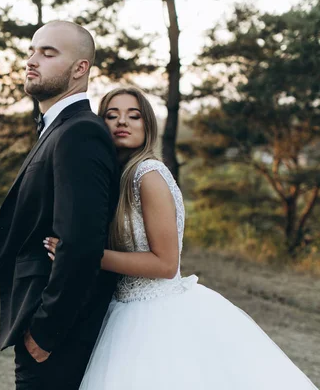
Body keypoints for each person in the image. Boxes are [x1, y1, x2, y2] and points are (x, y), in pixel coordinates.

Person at [43, 86, 319, 389]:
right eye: (112, 115)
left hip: (155, 315)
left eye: (133, 116)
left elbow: (165, 263)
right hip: (122, 309)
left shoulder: (147, 175)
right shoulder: (117, 177)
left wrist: (84, 255)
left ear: (148, 126)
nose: (122, 122)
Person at [0, 21, 121, 389]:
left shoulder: (80, 131)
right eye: (32, 51)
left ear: (80, 69)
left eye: (49, 53)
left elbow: (81, 243)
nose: (32, 60)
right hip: (43, 322)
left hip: (58, 334)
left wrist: (46, 331)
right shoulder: (58, 127)